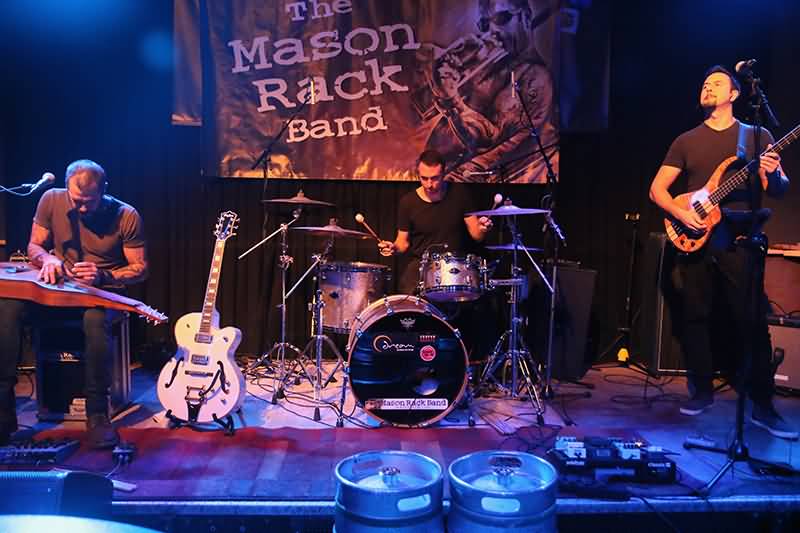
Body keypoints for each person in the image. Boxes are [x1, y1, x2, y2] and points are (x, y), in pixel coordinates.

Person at [649, 66, 795, 439]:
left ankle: (762, 404)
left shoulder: (756, 135)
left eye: (716, 83)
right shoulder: (686, 140)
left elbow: (778, 188)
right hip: (696, 236)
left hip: (739, 239)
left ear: (734, 94)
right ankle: (701, 391)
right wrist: (682, 213)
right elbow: (657, 190)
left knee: (751, 320)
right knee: (695, 316)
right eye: (704, 84)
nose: (707, 87)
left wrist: (773, 172)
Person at [0, 159, 148, 448]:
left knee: (95, 320)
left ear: (104, 189)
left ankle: (97, 415)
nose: (80, 208)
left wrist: (103, 275)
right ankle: (3, 413)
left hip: (98, 294)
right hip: (56, 291)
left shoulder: (126, 215)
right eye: (75, 201)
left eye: (88, 202)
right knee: (7, 307)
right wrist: (48, 259)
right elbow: (34, 246)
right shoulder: (51, 199)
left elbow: (140, 269)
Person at [423, 0, 559, 183]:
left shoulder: (535, 76)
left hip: (499, 184)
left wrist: (452, 100)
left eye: (501, 19)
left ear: (526, 18)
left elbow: (489, 140)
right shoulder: (492, 69)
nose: (492, 30)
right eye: (485, 24)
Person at [378, 149, 493, 294]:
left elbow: (476, 235)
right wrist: (393, 247)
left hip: (455, 268)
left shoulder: (460, 194)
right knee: (406, 300)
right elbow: (402, 243)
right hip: (422, 268)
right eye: (424, 178)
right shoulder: (408, 202)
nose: (429, 184)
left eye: (434, 178)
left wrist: (482, 228)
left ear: (444, 173)